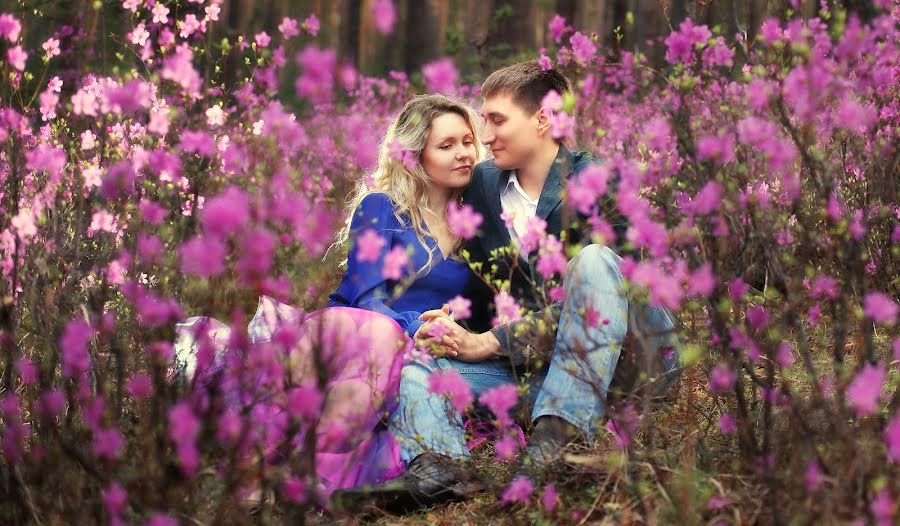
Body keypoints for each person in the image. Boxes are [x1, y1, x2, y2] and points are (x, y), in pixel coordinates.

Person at [332, 60, 680, 513]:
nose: (484, 138)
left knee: (592, 261)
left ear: (542, 118)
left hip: (627, 359)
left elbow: (605, 299)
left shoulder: (600, 180)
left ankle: (554, 449)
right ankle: (441, 468)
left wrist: (489, 341)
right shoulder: (483, 185)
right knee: (418, 365)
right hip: (537, 370)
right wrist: (447, 331)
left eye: (495, 121)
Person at [174, 93, 484, 504]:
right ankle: (271, 470)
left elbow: (485, 310)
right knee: (383, 333)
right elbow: (366, 299)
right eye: (446, 146)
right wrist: (420, 328)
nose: (463, 154)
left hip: (428, 349)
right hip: (356, 332)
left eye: (467, 142)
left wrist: (461, 336)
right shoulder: (382, 209)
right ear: (414, 155)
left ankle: (313, 479)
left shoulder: (477, 224)